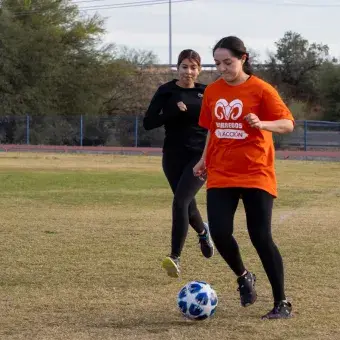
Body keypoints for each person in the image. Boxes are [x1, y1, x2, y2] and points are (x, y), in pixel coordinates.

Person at [193, 36, 294, 320]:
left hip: (256, 172)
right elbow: (213, 129)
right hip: (222, 172)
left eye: (228, 62)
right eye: (217, 63)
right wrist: (203, 160)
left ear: (243, 58)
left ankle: (281, 303)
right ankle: (243, 276)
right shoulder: (212, 91)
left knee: (260, 236)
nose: (222, 68)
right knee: (221, 233)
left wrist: (262, 123)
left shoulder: (261, 89)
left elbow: (287, 123)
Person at [143, 49, 214, 278]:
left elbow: (216, 124)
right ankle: (203, 232)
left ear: (199, 70)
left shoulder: (207, 93)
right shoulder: (166, 91)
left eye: (193, 67)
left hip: (200, 156)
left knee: (180, 201)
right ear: (177, 68)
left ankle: (175, 257)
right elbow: (148, 122)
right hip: (172, 156)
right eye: (184, 66)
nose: (188, 71)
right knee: (186, 202)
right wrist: (172, 111)